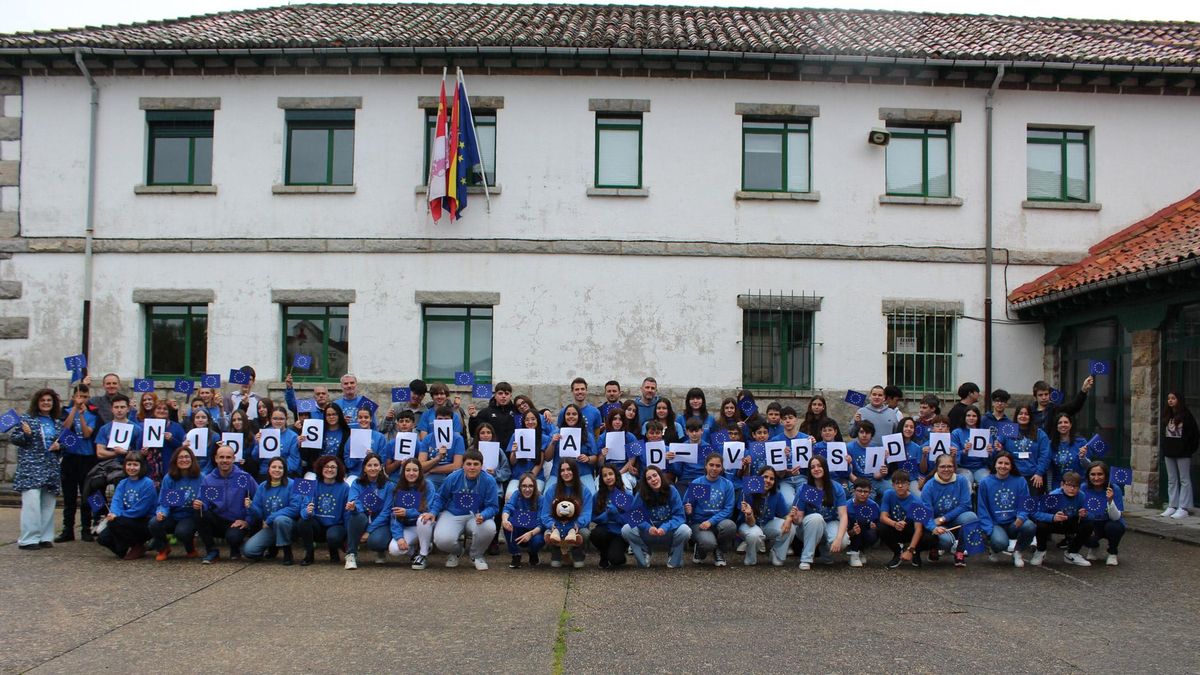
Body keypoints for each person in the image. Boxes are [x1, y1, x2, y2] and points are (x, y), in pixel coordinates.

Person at [427, 449, 500, 570]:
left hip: (476, 516)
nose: (472, 467)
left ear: (481, 466)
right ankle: (457, 550)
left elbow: (493, 506)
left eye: (476, 464)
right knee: (441, 540)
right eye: (469, 464)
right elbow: (441, 497)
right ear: (463, 465)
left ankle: (476, 555)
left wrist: (484, 515)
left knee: (489, 527)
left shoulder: (489, 481)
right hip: (453, 514)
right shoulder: (453, 477)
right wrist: (433, 512)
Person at [12, 389, 65, 550]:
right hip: (31, 467)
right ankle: (28, 539)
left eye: (49, 400)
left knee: (48, 504)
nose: (46, 403)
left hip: (50, 467)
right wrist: (26, 434)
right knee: (32, 504)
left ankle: (45, 537)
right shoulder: (26, 419)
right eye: (43, 400)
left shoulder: (56, 422)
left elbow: (64, 443)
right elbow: (15, 438)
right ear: (37, 402)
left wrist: (59, 446)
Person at [196, 444, 259, 563]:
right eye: (222, 457)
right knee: (199, 513)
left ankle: (235, 549)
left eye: (228, 457)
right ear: (216, 459)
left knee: (233, 537)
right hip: (217, 520)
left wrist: (247, 520)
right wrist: (200, 504)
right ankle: (212, 551)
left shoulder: (244, 477)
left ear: (234, 459)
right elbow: (203, 500)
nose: (225, 460)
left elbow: (258, 499)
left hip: (237, 522)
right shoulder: (209, 479)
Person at [623, 465, 690, 568]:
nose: (653, 479)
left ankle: (673, 555)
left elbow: (680, 516)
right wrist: (647, 527)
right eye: (649, 478)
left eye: (655, 475)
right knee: (626, 529)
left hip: (668, 532)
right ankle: (644, 552)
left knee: (685, 530)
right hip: (649, 532)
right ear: (646, 482)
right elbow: (634, 517)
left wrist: (665, 527)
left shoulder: (672, 490)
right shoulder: (641, 493)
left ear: (660, 476)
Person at [374, 458, 436, 569]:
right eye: (407, 470)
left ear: (420, 472)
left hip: (424, 525)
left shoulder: (428, 485)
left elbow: (428, 511)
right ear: (403, 472)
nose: (411, 473)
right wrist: (399, 537)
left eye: (415, 470)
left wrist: (407, 512)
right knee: (394, 550)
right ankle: (413, 552)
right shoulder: (398, 487)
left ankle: (423, 555)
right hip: (407, 527)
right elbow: (394, 515)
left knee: (423, 519)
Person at [976, 451, 1035, 567]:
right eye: (1000, 463)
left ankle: (1018, 552)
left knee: (1030, 526)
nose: (1003, 466)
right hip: (996, 524)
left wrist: (1021, 517)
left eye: (1007, 464)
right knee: (1000, 543)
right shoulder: (985, 482)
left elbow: (1026, 503)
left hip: (1014, 522)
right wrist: (989, 529)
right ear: (995, 464)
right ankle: (994, 548)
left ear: (1011, 466)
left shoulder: (1020, 481)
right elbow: (982, 508)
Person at [242, 457, 303, 565]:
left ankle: (287, 552)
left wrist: (270, 518)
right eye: (274, 467)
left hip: (289, 526)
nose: (277, 470)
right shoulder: (262, 486)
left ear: (284, 470)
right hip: (270, 527)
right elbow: (259, 513)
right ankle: (273, 546)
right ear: (268, 469)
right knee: (249, 551)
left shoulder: (294, 484)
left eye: (280, 467)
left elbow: (295, 508)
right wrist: (251, 506)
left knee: (280, 520)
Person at [57, 384, 98, 542]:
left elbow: (87, 434)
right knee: (69, 496)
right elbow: (64, 428)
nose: (82, 400)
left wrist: (81, 415)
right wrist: (74, 410)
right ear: (74, 397)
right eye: (79, 396)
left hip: (86, 458)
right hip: (70, 457)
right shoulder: (66, 412)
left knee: (86, 495)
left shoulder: (93, 415)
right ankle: (68, 529)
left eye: (85, 397)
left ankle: (85, 528)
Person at [922, 453, 978, 567]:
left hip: (953, 519)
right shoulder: (929, 486)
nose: (946, 469)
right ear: (937, 468)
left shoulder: (962, 481)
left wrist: (943, 519)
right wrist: (934, 527)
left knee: (971, 518)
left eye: (949, 466)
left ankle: (960, 552)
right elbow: (926, 513)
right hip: (936, 523)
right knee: (947, 542)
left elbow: (966, 505)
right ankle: (934, 549)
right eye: (942, 466)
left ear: (954, 467)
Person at [792, 455, 848, 570]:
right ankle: (806, 558)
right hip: (810, 526)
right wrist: (795, 517)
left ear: (825, 468)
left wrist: (838, 538)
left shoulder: (836, 488)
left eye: (819, 466)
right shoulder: (804, 488)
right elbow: (799, 520)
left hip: (830, 522)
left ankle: (826, 552)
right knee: (816, 518)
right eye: (812, 467)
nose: (816, 469)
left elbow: (843, 515)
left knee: (843, 540)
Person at [97, 451, 156, 559]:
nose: (131, 468)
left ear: (141, 466)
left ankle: (137, 545)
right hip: (125, 519)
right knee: (102, 538)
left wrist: (118, 516)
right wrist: (113, 513)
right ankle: (124, 549)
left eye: (135, 465)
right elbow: (116, 501)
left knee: (115, 523)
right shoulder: (123, 483)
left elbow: (141, 509)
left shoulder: (148, 483)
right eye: (129, 464)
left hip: (143, 520)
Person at [1030, 471, 1094, 567]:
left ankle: (1072, 553)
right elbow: (1036, 513)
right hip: (1055, 523)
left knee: (1089, 524)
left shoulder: (1082, 496)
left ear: (1079, 487)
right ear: (1062, 485)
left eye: (1075, 486)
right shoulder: (1053, 495)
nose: (1072, 489)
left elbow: (1092, 515)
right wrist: (1053, 517)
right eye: (1068, 485)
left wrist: (1085, 514)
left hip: (1071, 522)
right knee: (1041, 525)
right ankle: (1040, 551)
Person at [150, 446, 203, 561]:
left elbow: (206, 499)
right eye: (180, 458)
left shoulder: (201, 477)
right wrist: (161, 513)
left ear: (192, 459)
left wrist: (201, 504)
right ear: (175, 461)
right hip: (173, 514)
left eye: (187, 457)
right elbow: (164, 503)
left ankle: (191, 549)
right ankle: (163, 548)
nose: (184, 460)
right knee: (154, 523)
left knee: (182, 532)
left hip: (190, 516)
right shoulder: (169, 478)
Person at [538, 458, 593, 568]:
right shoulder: (552, 490)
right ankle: (557, 553)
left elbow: (587, 514)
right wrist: (552, 525)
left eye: (569, 469)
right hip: (556, 527)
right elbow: (545, 514)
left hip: (576, 528)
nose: (566, 473)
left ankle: (577, 554)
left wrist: (575, 525)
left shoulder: (584, 491)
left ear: (575, 471)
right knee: (548, 534)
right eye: (562, 470)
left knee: (585, 534)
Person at [685, 453, 736, 567]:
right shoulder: (697, 483)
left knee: (730, 526)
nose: (714, 468)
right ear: (706, 466)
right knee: (708, 544)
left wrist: (711, 521)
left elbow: (728, 509)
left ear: (722, 468)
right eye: (711, 465)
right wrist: (688, 510)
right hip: (699, 523)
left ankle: (719, 550)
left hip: (718, 522)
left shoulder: (727, 484)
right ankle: (700, 549)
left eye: (718, 466)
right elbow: (687, 504)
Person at [298, 455, 350, 565]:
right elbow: (303, 510)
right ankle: (309, 554)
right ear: (320, 468)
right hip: (317, 525)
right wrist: (307, 512)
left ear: (338, 470)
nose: (329, 470)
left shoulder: (345, 487)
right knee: (303, 522)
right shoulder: (312, 485)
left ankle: (333, 550)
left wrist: (348, 534)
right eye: (326, 466)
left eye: (333, 467)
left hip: (336, 526)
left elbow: (347, 513)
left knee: (333, 537)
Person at [737, 466, 794, 566]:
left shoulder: (777, 494)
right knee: (755, 534)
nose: (768, 480)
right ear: (759, 477)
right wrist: (749, 514)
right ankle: (751, 558)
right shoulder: (747, 492)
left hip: (767, 524)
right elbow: (751, 523)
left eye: (771, 479)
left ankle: (776, 553)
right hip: (748, 525)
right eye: (765, 477)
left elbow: (785, 515)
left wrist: (789, 518)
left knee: (790, 527)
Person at [878, 470, 935, 568]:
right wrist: (894, 524)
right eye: (897, 483)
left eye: (903, 483)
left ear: (908, 485)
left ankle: (915, 552)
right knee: (880, 527)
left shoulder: (916, 501)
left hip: (910, 529)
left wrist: (910, 550)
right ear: (893, 485)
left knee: (930, 537)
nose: (900, 486)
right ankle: (897, 553)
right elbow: (883, 517)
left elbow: (918, 530)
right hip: (896, 527)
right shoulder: (888, 494)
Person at [345, 453, 390, 569]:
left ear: (381, 467)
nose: (373, 468)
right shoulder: (357, 483)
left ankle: (380, 550)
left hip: (379, 522)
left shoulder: (389, 485)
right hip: (362, 519)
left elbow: (386, 512)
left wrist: (368, 531)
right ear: (364, 468)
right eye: (369, 465)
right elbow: (354, 500)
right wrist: (357, 507)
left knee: (376, 542)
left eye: (376, 465)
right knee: (357, 516)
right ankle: (351, 554)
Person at [1161, 391, 1197, 519]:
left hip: (1183, 453)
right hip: (1169, 452)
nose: (1170, 401)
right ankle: (1172, 505)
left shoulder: (1186, 416)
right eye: (1169, 398)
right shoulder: (1167, 415)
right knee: (1172, 479)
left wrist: (1188, 449)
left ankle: (1184, 507)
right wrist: (1165, 448)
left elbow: (1194, 434)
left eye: (1173, 398)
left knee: (1184, 479)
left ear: (1179, 400)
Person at [1082, 460, 1125, 566]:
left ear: (1106, 475)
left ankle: (1112, 552)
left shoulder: (1115, 489)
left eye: (1100, 474)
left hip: (1109, 522)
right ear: (1088, 475)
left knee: (1115, 527)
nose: (1096, 478)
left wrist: (1110, 501)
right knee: (1080, 529)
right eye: (1093, 474)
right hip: (1092, 522)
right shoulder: (1083, 488)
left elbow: (1116, 517)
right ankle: (1093, 546)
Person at [547, 404, 597, 490]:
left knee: (591, 495)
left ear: (579, 416)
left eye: (574, 414)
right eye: (568, 414)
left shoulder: (588, 436)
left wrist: (588, 458)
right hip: (558, 473)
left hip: (582, 473)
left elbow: (595, 457)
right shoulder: (555, 433)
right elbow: (547, 458)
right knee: (547, 495)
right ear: (564, 417)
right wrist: (552, 443)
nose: (571, 416)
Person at [1003, 405, 1051, 496]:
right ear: (1016, 416)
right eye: (1020, 413)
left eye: (1026, 414)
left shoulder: (1039, 433)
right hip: (1013, 475)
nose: (1023, 416)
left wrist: (1039, 473)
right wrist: (997, 446)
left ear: (1031, 417)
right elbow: (999, 448)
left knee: (1031, 506)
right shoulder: (1009, 430)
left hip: (1034, 476)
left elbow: (1045, 455)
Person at [503, 472, 546, 568]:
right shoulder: (516, 495)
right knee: (508, 521)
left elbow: (542, 522)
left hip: (535, 531)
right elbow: (508, 507)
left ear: (535, 487)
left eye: (530, 486)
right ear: (520, 487)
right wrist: (505, 520)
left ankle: (533, 552)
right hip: (519, 529)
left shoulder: (541, 499)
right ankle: (515, 554)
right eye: (524, 486)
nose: (527, 489)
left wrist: (530, 534)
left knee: (539, 540)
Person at [418, 405, 466, 489]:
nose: (443, 421)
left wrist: (431, 470)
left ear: (451, 421)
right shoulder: (428, 438)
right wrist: (437, 458)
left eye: (446, 419)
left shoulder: (458, 439)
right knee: (427, 484)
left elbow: (457, 466)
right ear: (435, 420)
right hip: (431, 478)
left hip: (451, 475)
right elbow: (421, 465)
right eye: (440, 419)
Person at [1049, 413, 1098, 489]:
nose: (1063, 425)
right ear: (1056, 426)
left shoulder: (1081, 442)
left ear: (1070, 425)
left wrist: (1083, 457)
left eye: (1066, 422)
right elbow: (1049, 469)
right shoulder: (1050, 444)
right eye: (1060, 423)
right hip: (1058, 486)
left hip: (1079, 485)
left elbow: (1088, 467)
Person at [250, 407, 301, 478]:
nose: (278, 421)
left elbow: (294, 460)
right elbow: (255, 458)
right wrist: (259, 444)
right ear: (270, 419)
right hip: (265, 472)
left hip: (285, 473)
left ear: (286, 419)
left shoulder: (293, 436)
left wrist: (279, 471)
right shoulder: (264, 433)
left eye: (281, 419)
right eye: (275, 418)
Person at [600, 407, 641, 491]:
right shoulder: (602, 437)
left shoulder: (630, 437)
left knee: (626, 489)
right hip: (606, 473)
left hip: (624, 472)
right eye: (615, 419)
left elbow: (632, 460)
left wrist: (619, 473)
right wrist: (602, 455)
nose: (617, 422)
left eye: (620, 419)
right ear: (610, 421)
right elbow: (599, 463)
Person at [468, 381, 517, 449]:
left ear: (510, 396)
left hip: (512, 452)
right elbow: (474, 433)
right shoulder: (485, 413)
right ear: (495, 395)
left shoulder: (516, 411)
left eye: (506, 394)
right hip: (491, 450)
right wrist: (473, 419)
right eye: (500, 393)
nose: (503, 396)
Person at [94, 393, 143, 461]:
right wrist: (116, 453)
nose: (119, 410)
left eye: (122, 407)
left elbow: (139, 453)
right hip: (110, 467)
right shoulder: (104, 429)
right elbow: (100, 453)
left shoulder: (137, 429)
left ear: (128, 409)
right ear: (112, 409)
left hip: (130, 467)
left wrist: (126, 452)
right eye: (116, 407)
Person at [845, 477, 880, 567]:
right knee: (858, 525)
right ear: (854, 491)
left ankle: (862, 550)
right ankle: (854, 552)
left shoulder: (873, 505)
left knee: (873, 533)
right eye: (859, 491)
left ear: (870, 492)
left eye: (866, 491)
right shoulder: (847, 506)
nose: (862, 494)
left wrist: (874, 526)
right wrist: (852, 531)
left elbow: (877, 522)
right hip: (851, 532)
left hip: (866, 531)